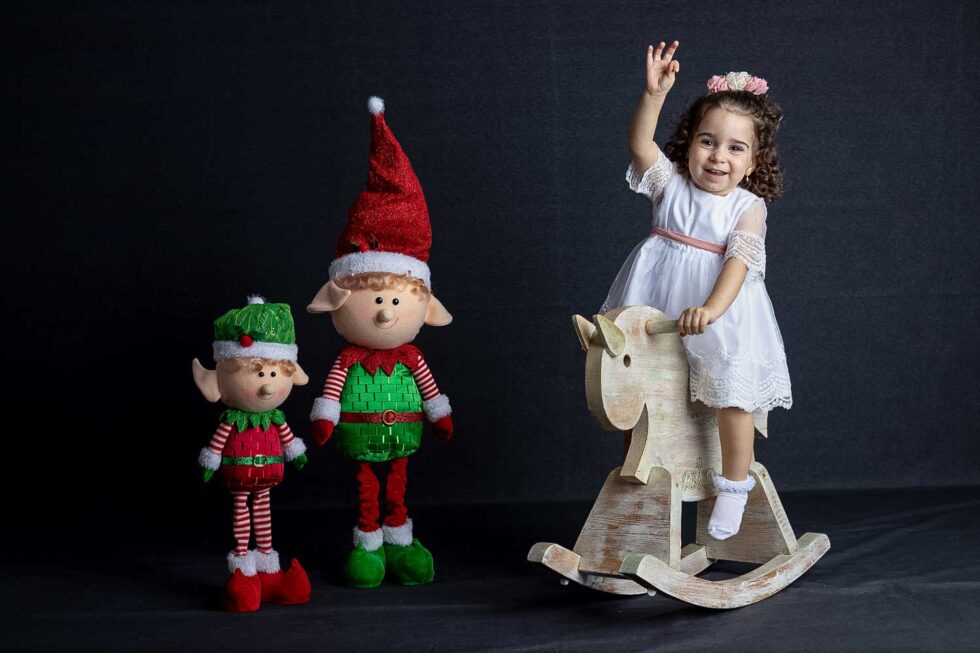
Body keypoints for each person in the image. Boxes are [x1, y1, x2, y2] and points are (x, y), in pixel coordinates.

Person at [600, 41, 793, 540]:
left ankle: (734, 485)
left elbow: (739, 262)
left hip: (718, 310)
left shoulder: (747, 207)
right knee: (641, 389)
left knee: (732, 394)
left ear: (753, 161)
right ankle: (637, 488)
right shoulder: (671, 185)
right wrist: (653, 94)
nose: (718, 156)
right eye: (708, 141)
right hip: (657, 299)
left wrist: (711, 309)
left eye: (735, 148)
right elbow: (641, 145)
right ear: (689, 143)